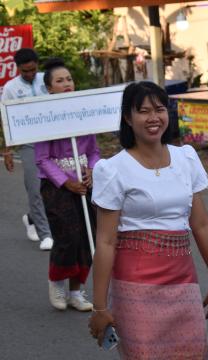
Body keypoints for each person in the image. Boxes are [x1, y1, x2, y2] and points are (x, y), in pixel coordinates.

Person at [88, 81, 208, 359]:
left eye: (159, 109)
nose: (153, 118)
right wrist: (100, 307)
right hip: (134, 287)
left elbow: (201, 224)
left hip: (183, 281)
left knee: (193, 353)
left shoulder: (185, 158)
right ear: (128, 118)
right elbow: (105, 242)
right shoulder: (113, 169)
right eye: (143, 111)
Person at [34, 58, 99, 311]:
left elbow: (93, 150)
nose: (66, 84)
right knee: (67, 236)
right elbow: (42, 159)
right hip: (56, 187)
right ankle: (57, 283)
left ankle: (76, 291)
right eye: (59, 81)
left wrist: (92, 170)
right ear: (49, 88)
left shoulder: (84, 112)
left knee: (87, 237)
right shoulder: (43, 118)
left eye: (69, 79)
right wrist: (66, 182)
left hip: (85, 185)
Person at [1, 48, 53, 250]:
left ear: (37, 65)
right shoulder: (10, 88)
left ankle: (31, 218)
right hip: (28, 142)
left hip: (53, 140)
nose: (30, 74)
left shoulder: (46, 79)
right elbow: (7, 120)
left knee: (54, 187)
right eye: (25, 71)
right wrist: (7, 151)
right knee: (35, 188)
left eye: (33, 70)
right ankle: (46, 234)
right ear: (18, 68)